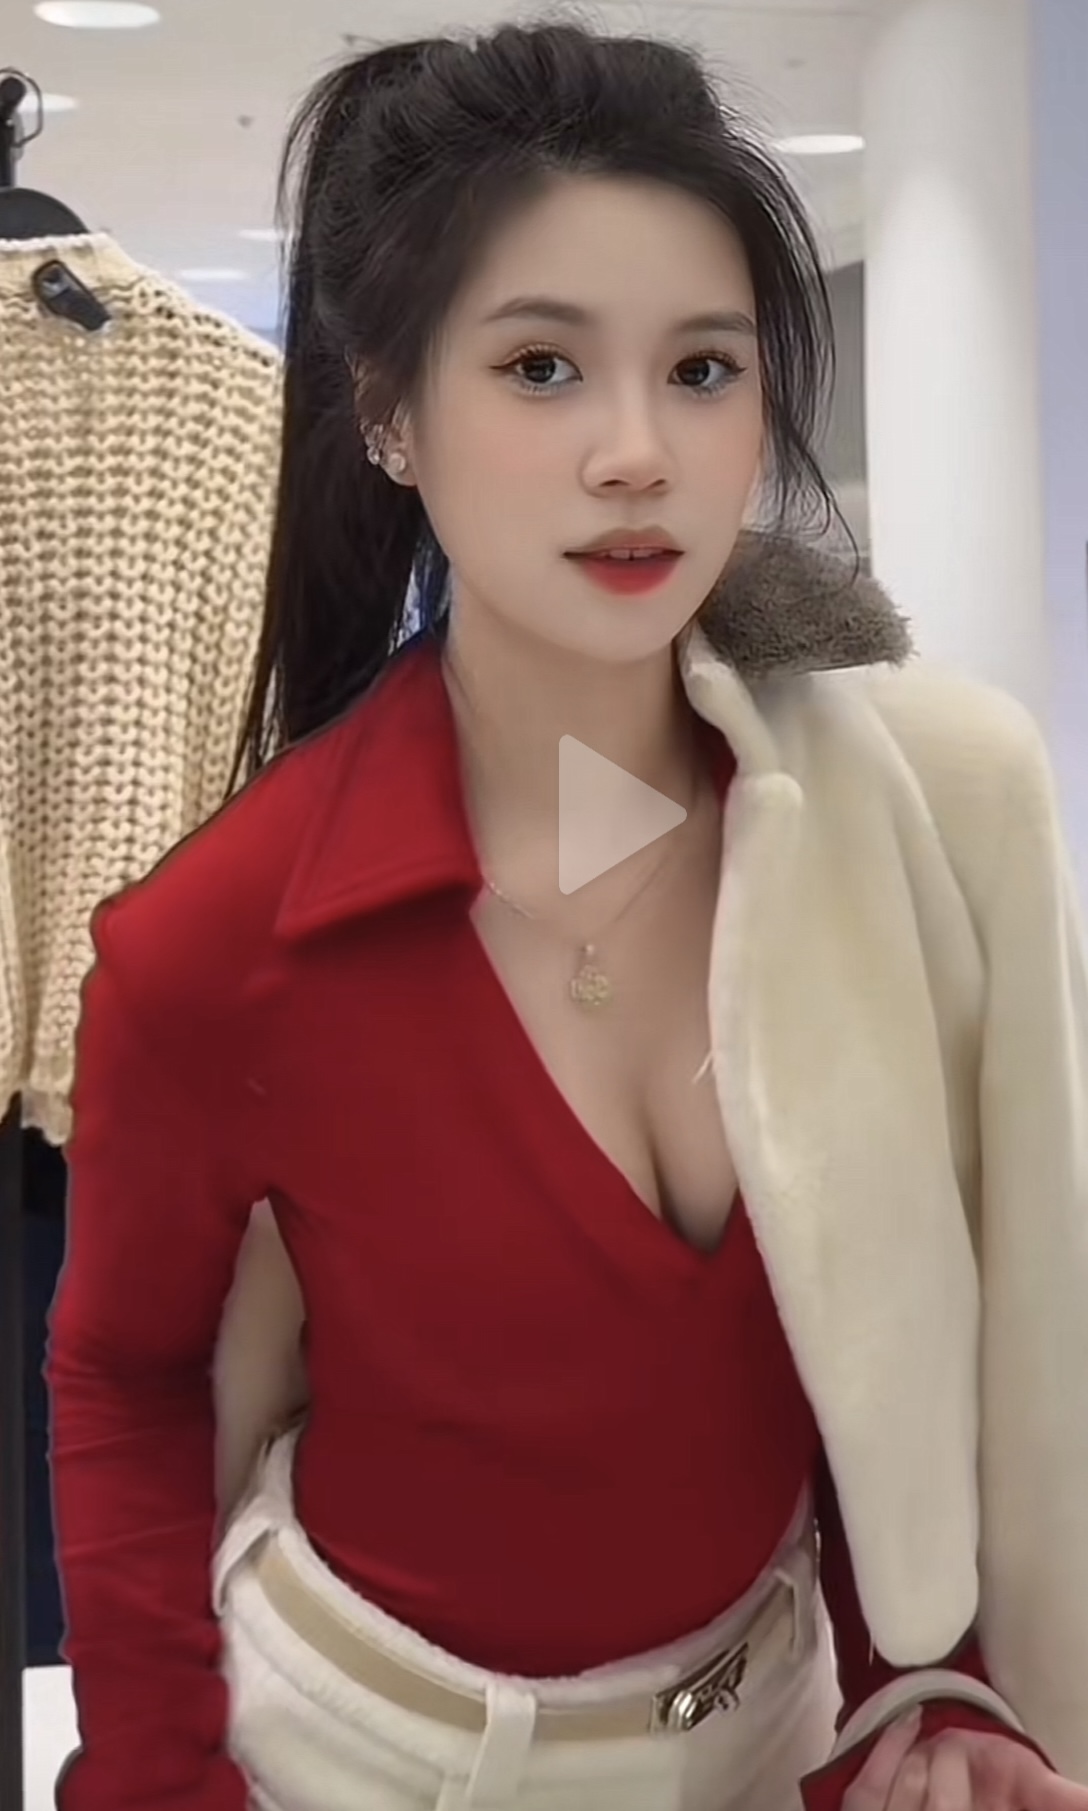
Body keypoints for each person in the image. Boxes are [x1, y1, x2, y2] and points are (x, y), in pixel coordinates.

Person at [46, 19, 1088, 1811]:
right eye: (541, 368)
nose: (637, 453)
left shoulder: (897, 828)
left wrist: (940, 1694)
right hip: (369, 1754)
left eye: (703, 370)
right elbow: (122, 1379)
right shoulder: (225, 942)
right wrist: (155, 1784)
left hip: (775, 1727)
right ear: (389, 413)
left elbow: (922, 1326)